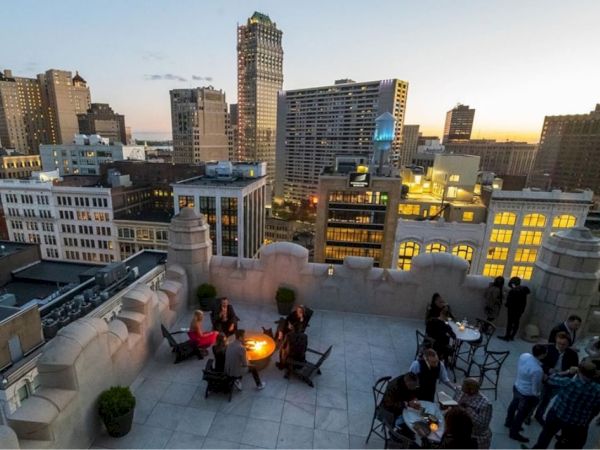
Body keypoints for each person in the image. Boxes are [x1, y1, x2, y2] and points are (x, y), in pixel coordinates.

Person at [533, 361, 600, 449]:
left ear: (579, 371)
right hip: (577, 422)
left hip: (558, 415)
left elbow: (550, 379)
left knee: (546, 434)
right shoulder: (597, 389)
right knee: (566, 442)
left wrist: (568, 372)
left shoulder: (569, 382)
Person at [504, 344, 547, 443]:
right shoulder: (537, 370)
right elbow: (534, 387)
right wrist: (537, 396)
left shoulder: (525, 355)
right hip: (527, 394)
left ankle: (508, 422)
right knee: (521, 414)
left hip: (517, 386)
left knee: (513, 405)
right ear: (542, 355)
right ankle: (514, 432)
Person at [534, 331, 579, 425]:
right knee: (539, 397)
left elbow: (574, 368)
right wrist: (549, 370)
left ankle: (539, 415)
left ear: (568, 344)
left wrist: (567, 376)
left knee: (547, 399)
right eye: (559, 343)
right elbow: (539, 362)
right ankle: (528, 415)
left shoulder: (572, 354)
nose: (561, 346)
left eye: (564, 344)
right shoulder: (548, 349)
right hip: (546, 377)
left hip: (560, 380)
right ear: (556, 341)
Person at [457, 378, 493, 449]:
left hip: (476, 437)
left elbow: (482, 425)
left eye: (464, 388)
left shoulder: (485, 404)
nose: (461, 389)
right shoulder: (461, 392)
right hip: (460, 431)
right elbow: (455, 404)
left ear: (472, 390)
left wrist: (467, 409)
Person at [499, 277, 530, 341]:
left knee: (510, 323)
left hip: (512, 310)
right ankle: (512, 336)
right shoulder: (523, 290)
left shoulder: (513, 291)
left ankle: (507, 336)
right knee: (516, 323)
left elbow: (508, 303)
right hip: (520, 310)